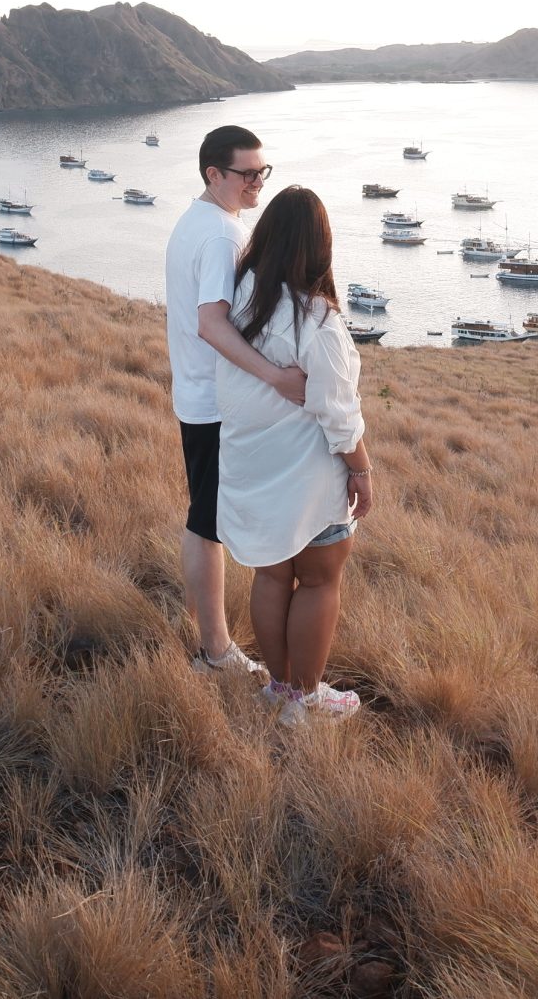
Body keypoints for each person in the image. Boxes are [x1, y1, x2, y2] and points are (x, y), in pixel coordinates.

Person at [214, 185, 374, 725]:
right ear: (320, 248)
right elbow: (339, 413)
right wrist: (361, 470)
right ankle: (304, 702)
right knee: (320, 580)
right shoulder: (318, 321)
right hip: (307, 476)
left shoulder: (239, 299)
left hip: (251, 464)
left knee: (272, 577)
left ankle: (280, 690)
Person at [164, 124, 306, 675]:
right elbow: (211, 324)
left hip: (197, 394)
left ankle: (212, 642)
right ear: (213, 174)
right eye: (247, 174)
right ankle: (216, 651)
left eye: (262, 171)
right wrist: (275, 376)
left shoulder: (197, 220)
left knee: (205, 520)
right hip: (215, 403)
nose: (258, 182)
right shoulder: (222, 235)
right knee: (207, 525)